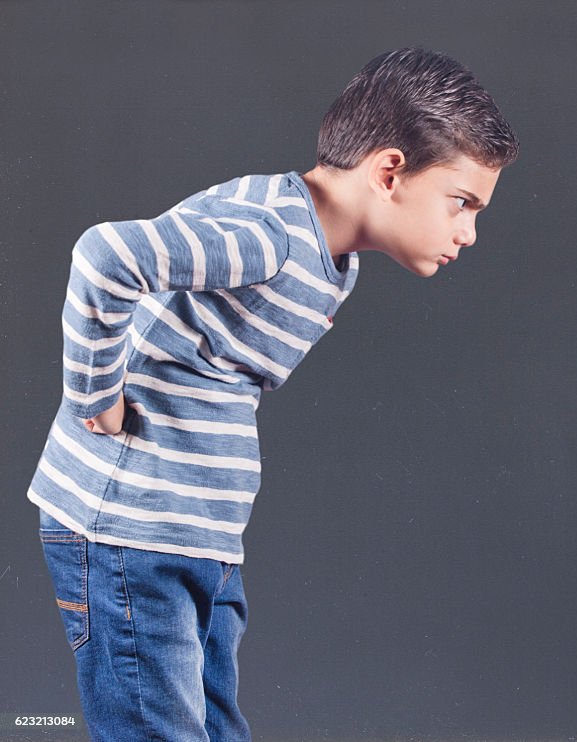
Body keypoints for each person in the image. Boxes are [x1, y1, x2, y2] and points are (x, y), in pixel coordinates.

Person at [29, 47, 518, 741]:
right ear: (388, 172)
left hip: (196, 536)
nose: (467, 233)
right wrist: (94, 393)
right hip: (131, 531)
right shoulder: (274, 236)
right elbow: (107, 257)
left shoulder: (328, 252)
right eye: (461, 203)